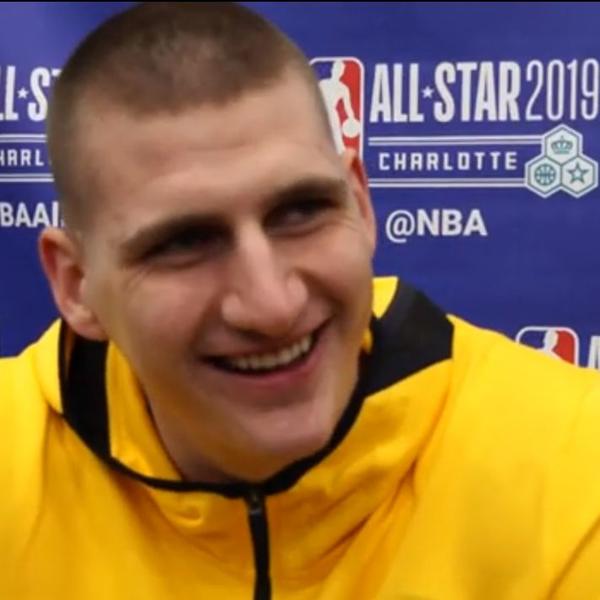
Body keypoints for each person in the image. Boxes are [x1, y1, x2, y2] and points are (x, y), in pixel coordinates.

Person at [2, 3, 600, 599]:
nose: (272, 306)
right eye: (185, 243)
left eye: (301, 211)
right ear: (77, 285)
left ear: (360, 204)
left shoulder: (575, 464)